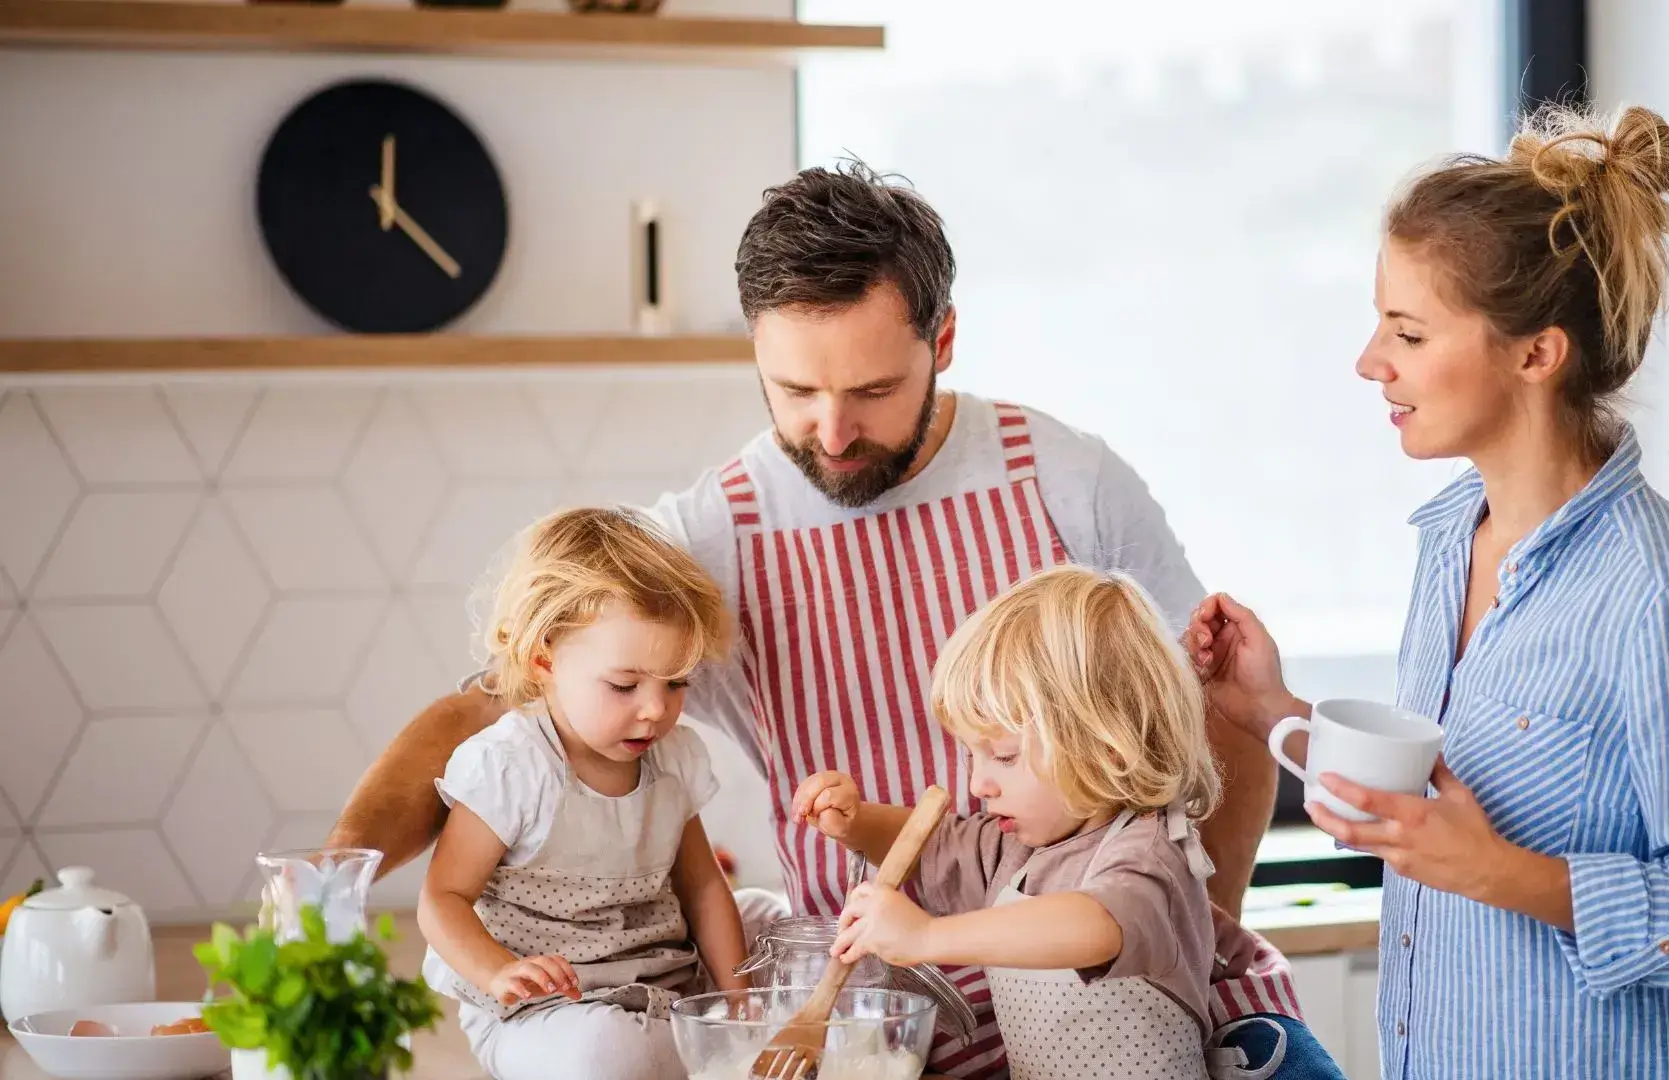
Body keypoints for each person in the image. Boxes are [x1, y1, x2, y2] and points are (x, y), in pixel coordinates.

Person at [327, 162, 1326, 1079]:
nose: (833, 431)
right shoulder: (712, 534)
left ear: (942, 340)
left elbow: (1214, 711)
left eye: (874, 390)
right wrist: (330, 883)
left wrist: (1194, 927)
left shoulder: (1062, 481)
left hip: (1107, 996)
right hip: (869, 1022)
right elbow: (492, 716)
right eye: (795, 390)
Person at [1189, 104, 1669, 1080]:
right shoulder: (1447, 543)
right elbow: (1441, 795)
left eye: (1409, 331)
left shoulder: (1662, 593)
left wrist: (1496, 872)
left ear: (1535, 353)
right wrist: (1277, 711)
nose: (1369, 361)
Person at [795, 566, 1235, 1079]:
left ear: (1107, 748)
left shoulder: (1148, 854)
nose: (979, 784)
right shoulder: (1020, 848)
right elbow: (928, 844)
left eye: (1003, 757)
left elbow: (1096, 924)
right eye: (971, 756)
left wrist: (928, 937)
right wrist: (856, 822)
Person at [416, 507, 747, 1080]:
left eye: (676, 684)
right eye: (625, 685)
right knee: (607, 1053)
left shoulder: (673, 758)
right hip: (542, 1009)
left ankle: (701, 1039)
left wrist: (742, 998)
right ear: (544, 658)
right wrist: (497, 972)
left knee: (779, 922)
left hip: (656, 977)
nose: (655, 709)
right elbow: (441, 898)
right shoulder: (514, 766)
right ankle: (689, 1052)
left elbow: (701, 886)